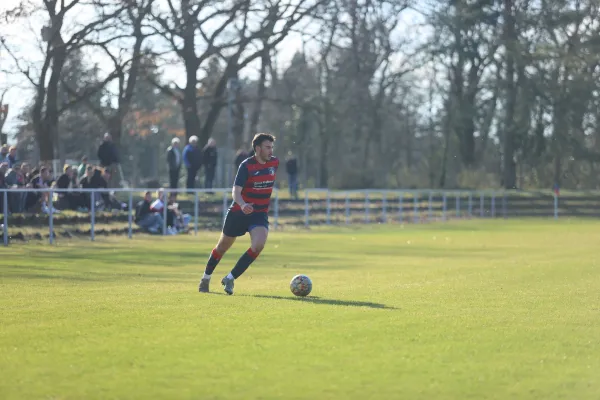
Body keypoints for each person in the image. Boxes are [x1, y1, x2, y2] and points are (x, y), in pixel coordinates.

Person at [198, 133, 279, 295]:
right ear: (257, 149)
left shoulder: (274, 163)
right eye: (267, 147)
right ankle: (206, 278)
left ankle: (230, 278)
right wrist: (242, 204)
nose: (271, 151)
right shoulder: (246, 165)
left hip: (258, 214)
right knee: (222, 247)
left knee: (258, 245)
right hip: (238, 213)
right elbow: (236, 190)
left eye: (272, 147)